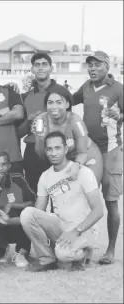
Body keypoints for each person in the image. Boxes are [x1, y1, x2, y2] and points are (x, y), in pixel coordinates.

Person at [20, 131, 104, 272]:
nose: (53, 153)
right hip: (62, 225)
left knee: (63, 254)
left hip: (84, 228)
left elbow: (98, 211)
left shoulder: (83, 172)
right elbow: (38, 212)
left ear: (66, 149)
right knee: (27, 214)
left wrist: (76, 231)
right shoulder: (45, 177)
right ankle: (47, 259)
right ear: (46, 151)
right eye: (49, 149)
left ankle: (85, 252)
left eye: (57, 148)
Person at [72, 51, 123, 265]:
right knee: (85, 198)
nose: (92, 69)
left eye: (97, 65)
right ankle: (85, 247)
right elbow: (67, 101)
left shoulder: (118, 89)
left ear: (107, 67)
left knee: (110, 201)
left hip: (110, 149)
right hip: (90, 149)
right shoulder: (85, 87)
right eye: (90, 65)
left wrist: (119, 115)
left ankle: (110, 250)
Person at [17, 52, 73, 193]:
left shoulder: (62, 92)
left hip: (57, 148)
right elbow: (19, 132)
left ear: (51, 68)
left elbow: (71, 121)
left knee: (61, 194)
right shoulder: (26, 97)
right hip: (33, 149)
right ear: (32, 70)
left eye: (44, 65)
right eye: (37, 65)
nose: (40, 68)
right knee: (34, 193)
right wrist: (30, 120)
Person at [33, 91, 103, 184]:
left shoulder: (75, 121)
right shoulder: (40, 121)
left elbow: (82, 152)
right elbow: (41, 155)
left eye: (59, 102)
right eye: (50, 102)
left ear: (67, 104)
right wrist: (40, 138)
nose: (54, 107)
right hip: (65, 160)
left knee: (88, 188)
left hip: (87, 156)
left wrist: (77, 165)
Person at [0, 151, 35, 268]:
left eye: (4, 164)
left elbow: (32, 202)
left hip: (16, 222)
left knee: (26, 214)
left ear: (9, 166)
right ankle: (0, 250)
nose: (0, 168)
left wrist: (11, 205)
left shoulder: (17, 179)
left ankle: (21, 252)